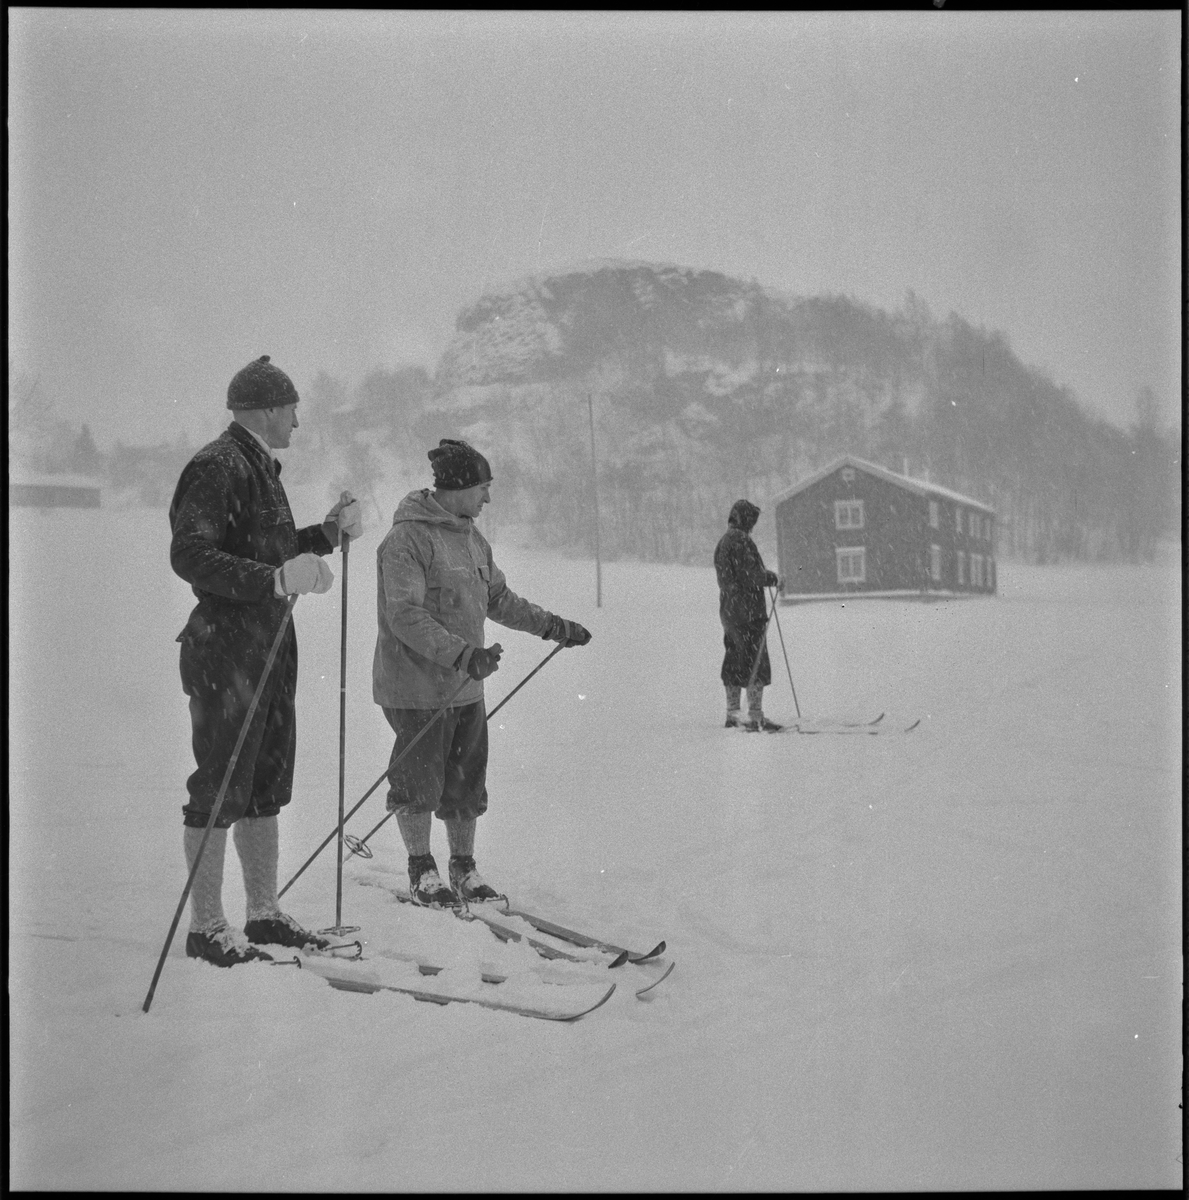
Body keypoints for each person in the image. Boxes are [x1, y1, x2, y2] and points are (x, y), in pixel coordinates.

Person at [169, 355, 364, 967]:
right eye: (292, 409)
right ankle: (206, 926)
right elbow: (191, 555)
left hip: (268, 647)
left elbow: (268, 550)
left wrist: (326, 536)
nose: (298, 422)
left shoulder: (259, 466)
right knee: (222, 781)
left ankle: (263, 914)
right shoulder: (218, 464)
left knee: (264, 781)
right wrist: (277, 577)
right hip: (225, 649)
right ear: (266, 410)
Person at [374, 438, 592, 907]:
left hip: (465, 687)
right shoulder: (406, 540)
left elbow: (499, 601)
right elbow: (404, 615)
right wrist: (461, 654)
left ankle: (463, 869)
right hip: (415, 687)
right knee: (418, 782)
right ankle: (421, 868)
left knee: (465, 782)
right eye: (483, 487)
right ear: (458, 486)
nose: (488, 499)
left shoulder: (473, 539)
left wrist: (553, 626)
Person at [714, 498, 783, 732]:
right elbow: (750, 575)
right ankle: (755, 716)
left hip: (729, 611)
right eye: (752, 520)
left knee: (734, 660)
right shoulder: (741, 541)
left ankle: (733, 714)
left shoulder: (723, 542)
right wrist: (772, 578)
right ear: (745, 519)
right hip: (748, 611)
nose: (753, 526)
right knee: (756, 661)